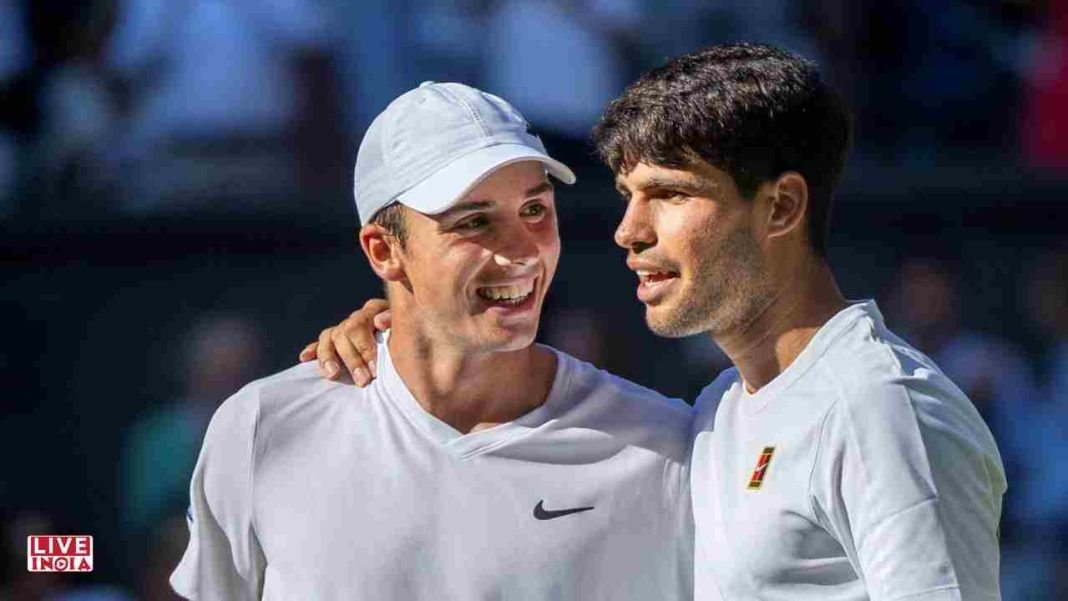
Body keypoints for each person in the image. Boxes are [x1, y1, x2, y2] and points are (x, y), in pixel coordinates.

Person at [304, 44, 1006, 599]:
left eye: (668, 194)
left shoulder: (882, 408)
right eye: (626, 195)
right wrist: (405, 326)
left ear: (781, 208)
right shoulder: (716, 412)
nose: (628, 231)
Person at [171, 82, 693, 599]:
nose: (522, 251)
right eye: (474, 221)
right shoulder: (262, 427)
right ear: (383, 251)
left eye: (535, 210)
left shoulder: (667, 448)